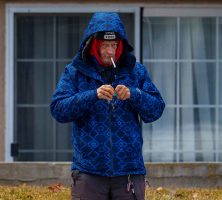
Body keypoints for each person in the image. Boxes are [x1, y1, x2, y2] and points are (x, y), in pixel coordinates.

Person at [50, 12, 165, 200]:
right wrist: (92, 95)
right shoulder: (75, 72)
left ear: (120, 45)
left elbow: (157, 109)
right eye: (104, 45)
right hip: (89, 173)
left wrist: (134, 95)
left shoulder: (136, 71)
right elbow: (58, 109)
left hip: (128, 172)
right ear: (93, 45)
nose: (110, 51)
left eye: (114, 45)